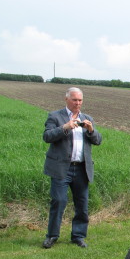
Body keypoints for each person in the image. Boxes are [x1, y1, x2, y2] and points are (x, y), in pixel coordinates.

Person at [42, 87, 102, 248]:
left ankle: (78, 236)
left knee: (82, 205)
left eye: (80, 100)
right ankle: (52, 236)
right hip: (61, 168)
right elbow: (47, 136)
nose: (78, 103)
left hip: (81, 169)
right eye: (75, 100)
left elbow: (98, 140)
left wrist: (91, 130)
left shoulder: (87, 118)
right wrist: (65, 127)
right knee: (59, 201)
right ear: (66, 99)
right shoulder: (55, 116)